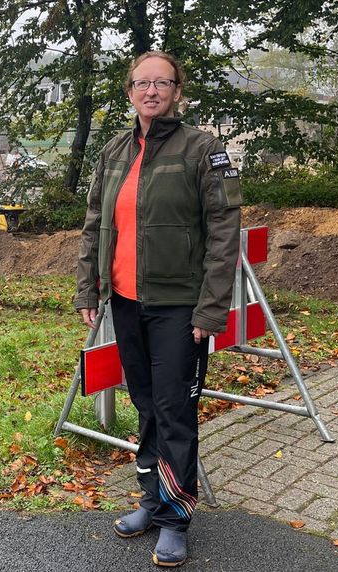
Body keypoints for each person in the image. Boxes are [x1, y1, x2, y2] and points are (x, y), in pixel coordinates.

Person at [73, 51, 242, 567]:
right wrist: (88, 289)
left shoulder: (203, 149)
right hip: (125, 302)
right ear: (129, 91)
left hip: (179, 309)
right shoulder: (114, 152)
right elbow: (93, 226)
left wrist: (211, 310)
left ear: (176, 91)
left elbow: (224, 234)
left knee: (174, 409)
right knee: (146, 405)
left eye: (161, 83)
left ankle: (175, 518)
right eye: (142, 83)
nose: (151, 91)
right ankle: (152, 499)